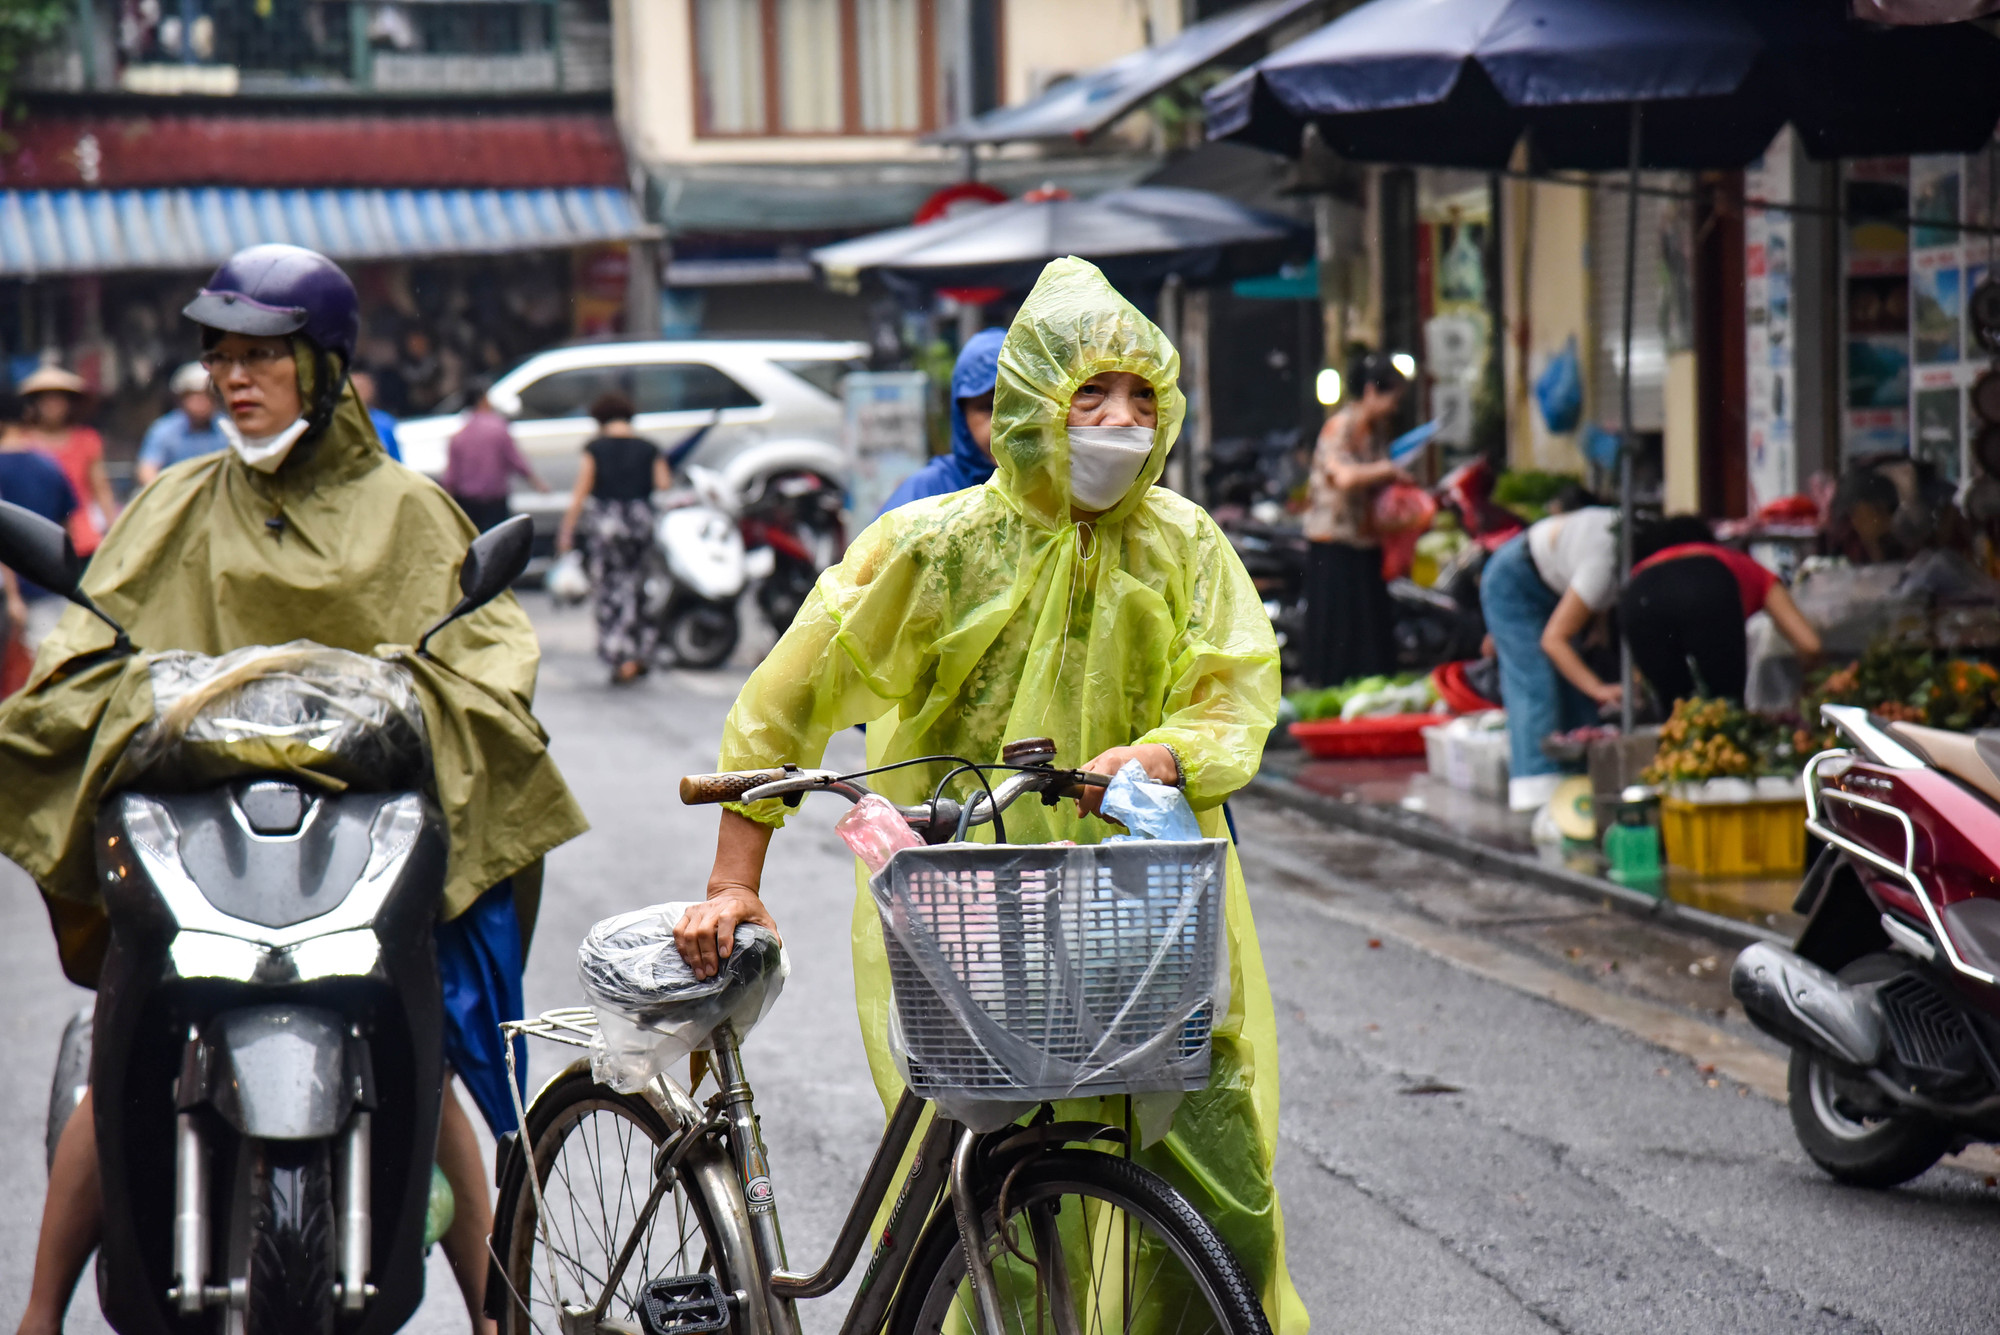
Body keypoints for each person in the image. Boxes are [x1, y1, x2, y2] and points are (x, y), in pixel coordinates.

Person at [673, 258, 1306, 1333]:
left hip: (1142, 903)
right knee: (988, 1211)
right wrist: (736, 880)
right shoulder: (936, 547)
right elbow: (786, 701)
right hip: (975, 908)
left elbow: (1231, 693)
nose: (1117, 422)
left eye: (1139, 397)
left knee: (1217, 1185)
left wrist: (1154, 758)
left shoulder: (1184, 544)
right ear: (1027, 409)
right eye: (1088, 397)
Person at [0, 243, 587, 1335]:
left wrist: (402, 701)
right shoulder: (170, 504)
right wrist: (133, 699)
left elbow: (486, 656)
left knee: (430, 1045)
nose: (234, 376)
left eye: (262, 355)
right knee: (120, 1023)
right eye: (219, 355)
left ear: (323, 367)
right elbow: (88, 651)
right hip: (196, 833)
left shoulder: (410, 510)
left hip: (360, 837)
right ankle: (39, 1314)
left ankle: (497, 1311)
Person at [1480, 503, 1621, 811]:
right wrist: (1598, 689)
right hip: (1515, 579)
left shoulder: (1621, 547)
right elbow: (1553, 641)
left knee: (1573, 689)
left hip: (1553, 579)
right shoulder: (1604, 560)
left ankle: (1578, 790)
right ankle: (1537, 800)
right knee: (1536, 683)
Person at [1622, 520, 1822, 707]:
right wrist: (1807, 693)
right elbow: (1810, 645)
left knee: (1675, 711)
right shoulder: (1739, 563)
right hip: (1710, 585)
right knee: (1726, 708)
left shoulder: (1645, 572)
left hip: (1639, 595)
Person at [1300, 352, 1411, 687]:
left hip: (1364, 538)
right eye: (1392, 397)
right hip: (1334, 539)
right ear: (1371, 392)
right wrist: (1388, 470)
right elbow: (1344, 477)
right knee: (1338, 629)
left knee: (1370, 627)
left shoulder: (1376, 431)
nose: (1394, 406)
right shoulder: (1341, 427)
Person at [557, 391, 671, 684]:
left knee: (610, 591)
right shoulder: (648, 448)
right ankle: (639, 652)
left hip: (607, 525)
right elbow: (663, 483)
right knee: (637, 587)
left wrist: (566, 531)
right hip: (640, 523)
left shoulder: (596, 448)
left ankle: (620, 655)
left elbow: (581, 491)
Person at [876, 326, 1004, 516]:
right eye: (987, 408)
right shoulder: (924, 497)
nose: (1004, 423)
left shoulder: (1054, 493)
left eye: (1017, 406)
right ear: (962, 414)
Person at [16, 366, 117, 557]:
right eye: (46, 400)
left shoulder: (87, 440)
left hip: (81, 538)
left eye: (58, 399)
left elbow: (101, 488)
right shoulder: (21, 443)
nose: (52, 406)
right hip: (34, 533)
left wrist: (114, 531)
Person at [442, 381, 547, 531]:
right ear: (483, 400)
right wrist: (537, 482)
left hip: (467, 502)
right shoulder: (498, 427)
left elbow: (451, 476)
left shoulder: (460, 435)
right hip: (494, 501)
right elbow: (515, 460)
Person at [134, 361, 227, 484]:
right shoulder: (164, 430)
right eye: (193, 396)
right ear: (180, 399)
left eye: (206, 396)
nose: (200, 402)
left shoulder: (227, 429)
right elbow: (146, 470)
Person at [351, 367, 403, 462]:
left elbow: (396, 457)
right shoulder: (342, 421)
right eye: (356, 388)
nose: (360, 393)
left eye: (363, 388)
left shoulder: (384, 421)